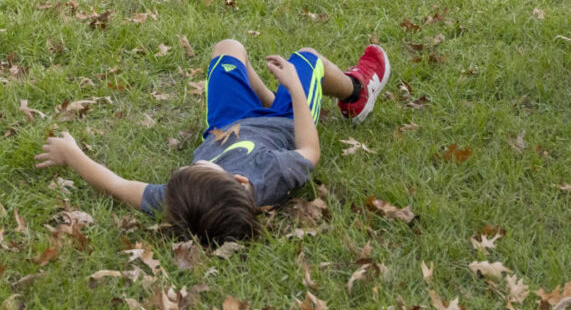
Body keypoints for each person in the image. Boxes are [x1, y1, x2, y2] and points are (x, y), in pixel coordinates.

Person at [35, 38, 390, 246]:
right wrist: (295, 88)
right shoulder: (271, 175)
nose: (192, 164)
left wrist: (72, 155)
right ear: (238, 181)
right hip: (285, 122)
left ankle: (264, 97)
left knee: (228, 47)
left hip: (227, 124)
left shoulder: (183, 198)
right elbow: (309, 150)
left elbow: (117, 184)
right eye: (199, 165)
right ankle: (356, 91)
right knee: (306, 58)